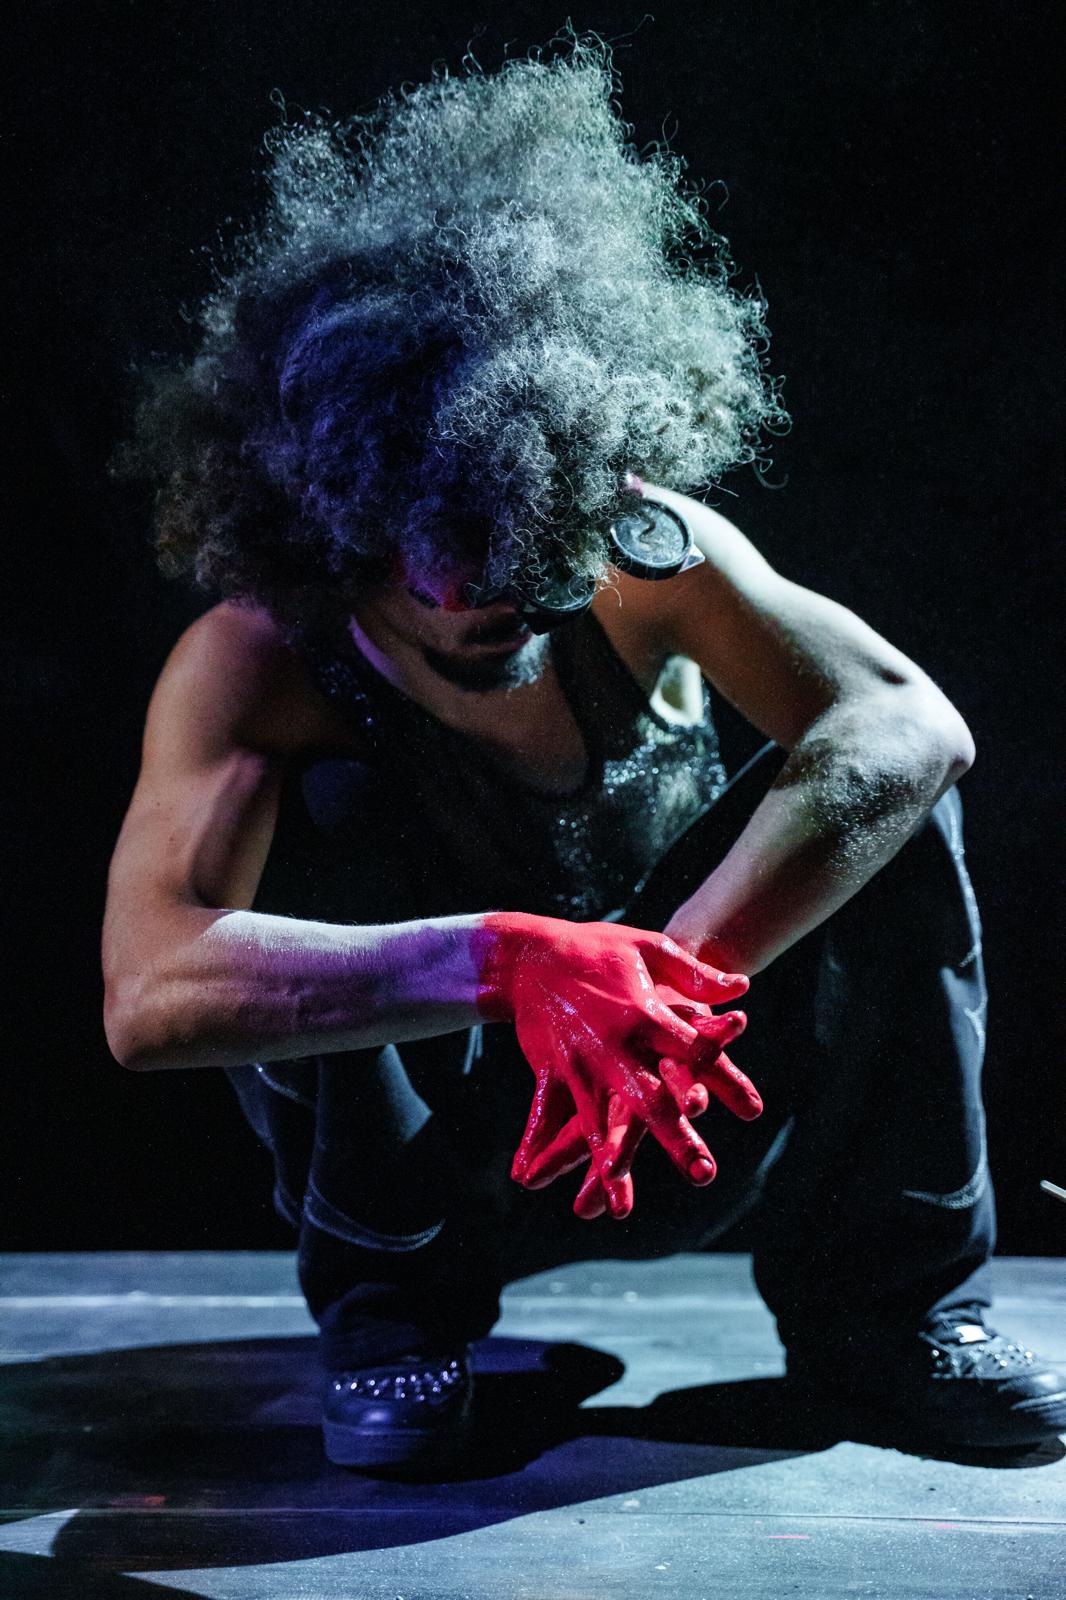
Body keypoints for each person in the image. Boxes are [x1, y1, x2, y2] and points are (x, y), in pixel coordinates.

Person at [102, 39, 1066, 1472]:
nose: (469, 595)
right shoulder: (257, 658)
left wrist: (659, 987)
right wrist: (512, 961)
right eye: (421, 554)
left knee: (888, 798)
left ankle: (894, 1311)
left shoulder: (649, 559)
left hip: (697, 1103)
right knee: (330, 807)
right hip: (455, 1167)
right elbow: (147, 991)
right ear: (333, 515)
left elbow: (911, 723)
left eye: (510, 543)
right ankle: (395, 1319)